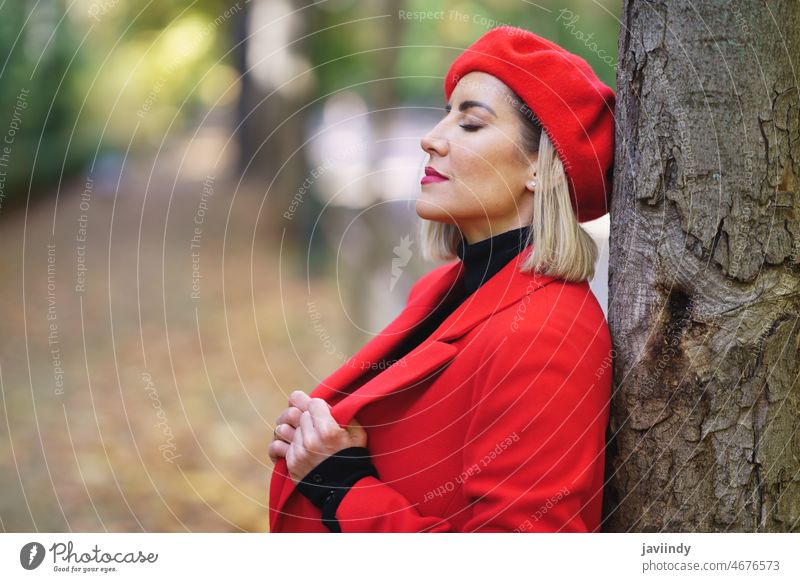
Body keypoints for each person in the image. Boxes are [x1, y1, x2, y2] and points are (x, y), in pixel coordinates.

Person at [268, 25, 615, 533]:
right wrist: (315, 442)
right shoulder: (439, 291)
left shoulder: (548, 332)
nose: (431, 139)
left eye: (470, 124)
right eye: (444, 114)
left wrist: (341, 484)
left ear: (541, 168)